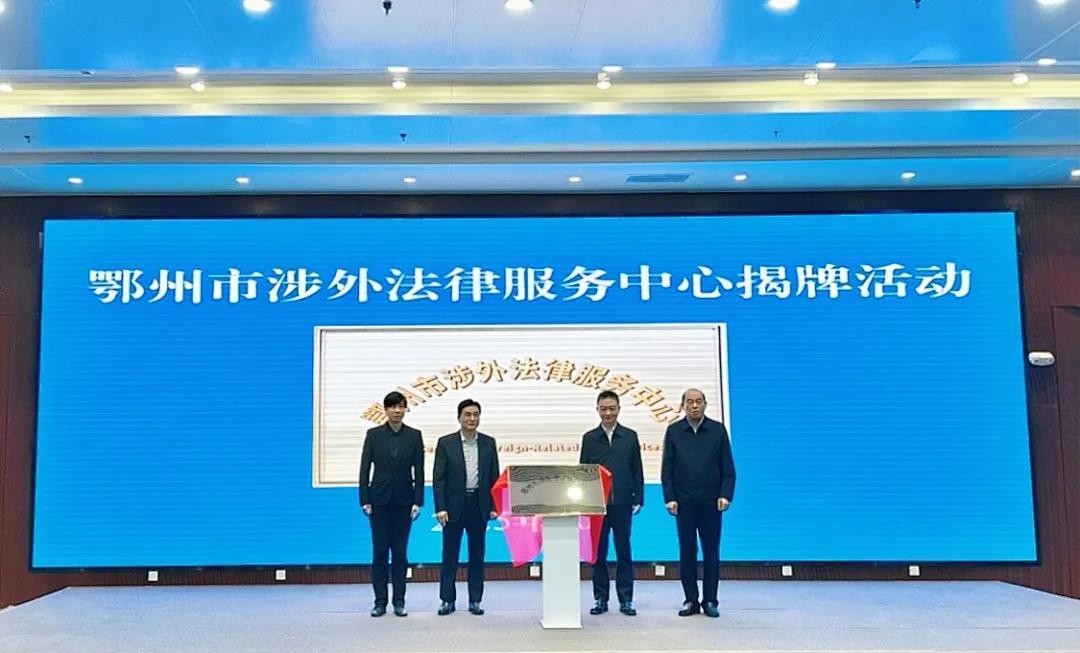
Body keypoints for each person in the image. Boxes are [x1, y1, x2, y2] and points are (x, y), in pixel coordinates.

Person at [660, 388, 736, 619]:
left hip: (711, 503)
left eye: (698, 401)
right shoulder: (674, 431)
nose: (694, 406)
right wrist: (670, 498)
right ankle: (691, 600)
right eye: (690, 402)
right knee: (687, 552)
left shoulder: (717, 430)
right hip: (684, 503)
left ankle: (710, 600)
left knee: (711, 552)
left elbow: (728, 468)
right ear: (682, 405)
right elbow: (667, 470)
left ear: (705, 404)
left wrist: (725, 495)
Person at [359, 391, 425, 617]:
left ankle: (399, 601)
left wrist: (418, 501)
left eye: (401, 406)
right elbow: (365, 468)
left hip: (404, 502)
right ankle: (379, 602)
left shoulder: (414, 435)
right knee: (379, 552)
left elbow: (419, 470)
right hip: (378, 501)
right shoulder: (373, 435)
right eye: (393, 407)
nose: (397, 411)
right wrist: (365, 499)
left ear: (406, 409)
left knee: (399, 553)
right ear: (385, 410)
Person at [579, 390, 644, 616]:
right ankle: (601, 598)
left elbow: (637, 469)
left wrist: (639, 497)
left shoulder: (630, 436)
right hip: (597, 504)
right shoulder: (589, 438)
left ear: (619, 409)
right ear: (597, 410)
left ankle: (626, 599)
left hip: (623, 503)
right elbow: (583, 472)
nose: (608, 413)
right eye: (603, 409)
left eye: (612, 408)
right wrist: (584, 502)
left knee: (624, 551)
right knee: (598, 554)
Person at [433, 399, 501, 616]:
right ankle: (447, 600)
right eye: (467, 414)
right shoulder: (446, 443)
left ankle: (475, 600)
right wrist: (440, 507)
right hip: (453, 506)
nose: (472, 418)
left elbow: (494, 477)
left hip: (478, 505)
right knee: (449, 555)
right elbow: (439, 479)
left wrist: (494, 506)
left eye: (476, 414)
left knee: (477, 555)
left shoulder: (488, 443)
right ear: (459, 418)